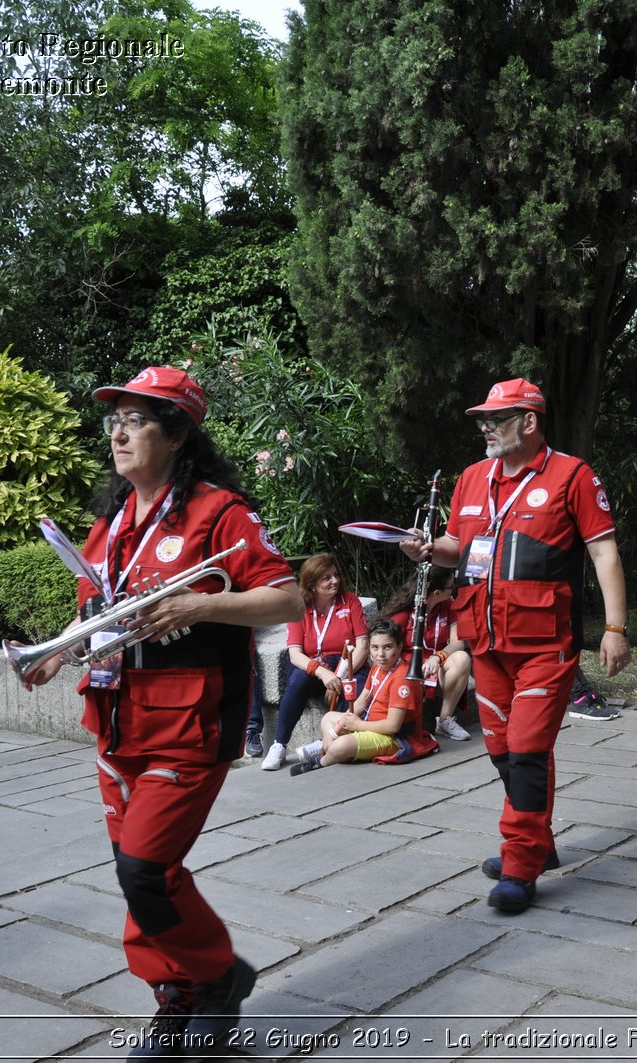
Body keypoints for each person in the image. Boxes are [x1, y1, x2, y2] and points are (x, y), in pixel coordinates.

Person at [22, 366, 302, 1057]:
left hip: (190, 722)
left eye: (137, 419)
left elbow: (288, 599)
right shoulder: (114, 518)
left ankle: (217, 976)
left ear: (177, 434)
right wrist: (60, 651)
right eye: (114, 419)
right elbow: (99, 603)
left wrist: (201, 602)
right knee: (136, 868)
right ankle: (173, 994)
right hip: (117, 717)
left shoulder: (222, 512)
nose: (118, 431)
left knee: (146, 868)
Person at [403, 378, 630, 915]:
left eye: (496, 418)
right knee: (504, 749)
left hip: (544, 644)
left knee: (527, 749)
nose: (485, 427)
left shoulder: (571, 475)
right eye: (482, 418)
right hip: (485, 641)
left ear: (529, 421)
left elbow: (603, 553)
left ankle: (520, 864)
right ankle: (539, 843)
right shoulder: (471, 479)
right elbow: (460, 549)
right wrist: (426, 549)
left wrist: (616, 629)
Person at [258, 554, 369, 770]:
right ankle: (279, 744)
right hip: (315, 666)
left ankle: (326, 741)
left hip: (348, 664)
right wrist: (323, 673)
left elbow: (363, 646)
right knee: (297, 680)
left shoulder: (350, 601)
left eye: (336, 575)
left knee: (354, 688)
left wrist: (338, 676)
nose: (335, 581)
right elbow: (295, 654)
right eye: (326, 578)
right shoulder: (299, 608)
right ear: (312, 584)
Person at [288, 617, 437, 772]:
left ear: (399, 647)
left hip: (394, 738)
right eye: (375, 647)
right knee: (328, 717)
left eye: (387, 647)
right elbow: (361, 702)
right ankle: (327, 744)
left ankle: (323, 760)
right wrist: (342, 724)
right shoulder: (377, 668)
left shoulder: (402, 679)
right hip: (370, 724)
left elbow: (393, 726)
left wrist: (357, 725)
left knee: (341, 746)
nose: (380, 654)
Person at [382, 565, 474, 741]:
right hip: (407, 671)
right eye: (450, 587)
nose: (452, 590)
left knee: (462, 658)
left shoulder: (448, 605)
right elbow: (387, 647)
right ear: (437, 593)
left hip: (435, 668)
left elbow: (458, 643)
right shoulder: (404, 612)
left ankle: (445, 719)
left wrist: (438, 657)